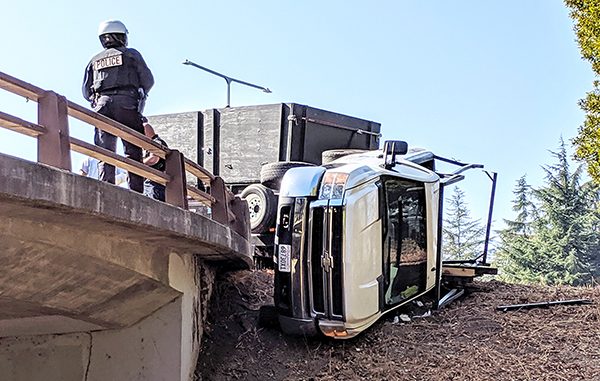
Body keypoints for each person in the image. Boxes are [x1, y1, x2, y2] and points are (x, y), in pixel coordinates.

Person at [81, 19, 154, 193]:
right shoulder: (131, 54)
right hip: (127, 104)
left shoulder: (94, 60)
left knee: (104, 150)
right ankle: (136, 191)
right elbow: (148, 80)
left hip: (102, 106)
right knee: (132, 149)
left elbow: (85, 91)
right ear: (123, 36)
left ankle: (106, 187)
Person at [142, 122, 168, 201]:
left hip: (155, 183)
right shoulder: (152, 144)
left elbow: (154, 159)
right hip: (155, 183)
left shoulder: (156, 142)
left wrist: (138, 163)